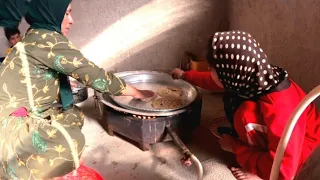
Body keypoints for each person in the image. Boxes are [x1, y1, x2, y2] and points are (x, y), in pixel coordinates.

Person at [0, 0, 154, 179]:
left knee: (73, 114)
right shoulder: (48, 40)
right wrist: (138, 93)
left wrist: (61, 82)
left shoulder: (35, 35)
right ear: (51, 13)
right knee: (71, 143)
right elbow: (97, 77)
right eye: (66, 13)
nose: (71, 20)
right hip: (10, 125)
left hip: (17, 110)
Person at [171, 31, 320, 180]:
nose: (210, 72)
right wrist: (185, 75)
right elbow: (218, 82)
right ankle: (257, 153)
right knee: (235, 98)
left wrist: (236, 148)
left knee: (245, 115)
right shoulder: (254, 74)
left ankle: (259, 173)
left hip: (302, 152)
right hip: (287, 142)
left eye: (211, 70)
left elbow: (284, 171)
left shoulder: (278, 108)